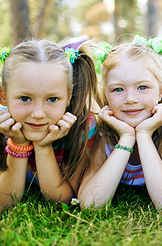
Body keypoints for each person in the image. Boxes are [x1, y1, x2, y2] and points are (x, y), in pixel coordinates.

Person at [78, 36, 162, 209]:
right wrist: (126, 137)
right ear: (105, 94)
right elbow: (90, 204)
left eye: (142, 87)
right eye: (118, 89)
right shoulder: (102, 129)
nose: (131, 99)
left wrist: (144, 134)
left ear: (161, 90)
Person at [0, 40, 99, 211]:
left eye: (52, 99)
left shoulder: (82, 126)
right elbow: (5, 204)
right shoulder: (3, 125)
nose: (38, 114)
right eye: (25, 99)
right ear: (3, 95)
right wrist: (18, 145)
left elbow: (61, 200)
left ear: (68, 97)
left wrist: (43, 146)